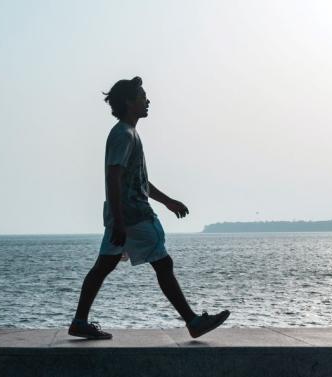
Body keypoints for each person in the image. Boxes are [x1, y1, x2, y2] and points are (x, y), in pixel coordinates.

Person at [68, 76, 230, 340]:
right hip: (133, 216)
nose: (148, 101)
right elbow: (113, 177)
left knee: (104, 266)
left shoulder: (128, 133)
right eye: (142, 97)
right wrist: (120, 222)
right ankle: (192, 321)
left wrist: (167, 201)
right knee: (163, 263)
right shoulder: (123, 134)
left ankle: (79, 321)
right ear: (130, 103)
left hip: (124, 215)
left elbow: (137, 179)